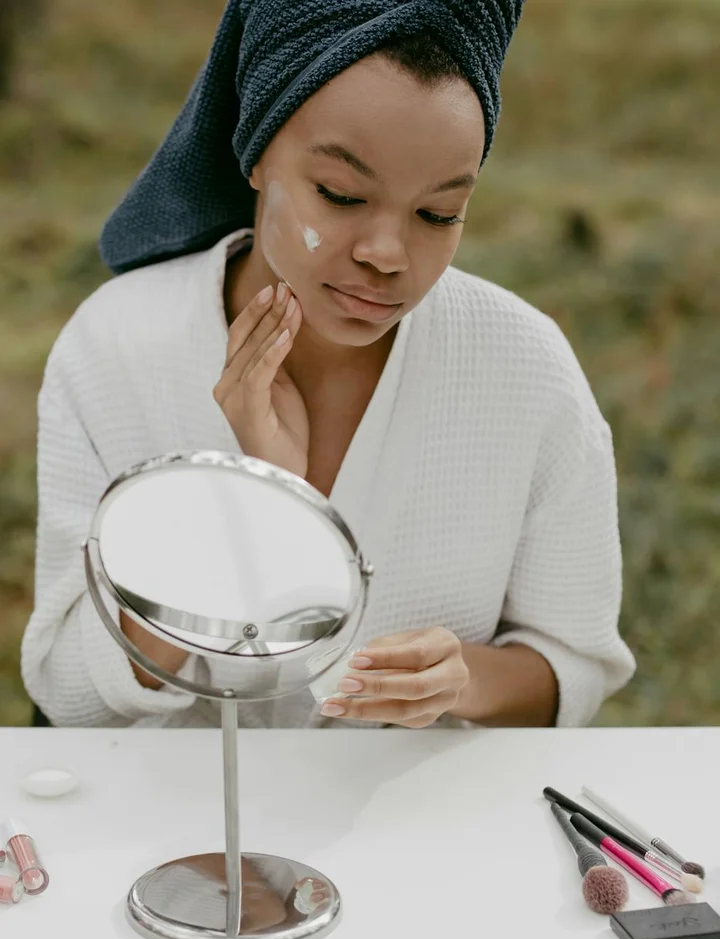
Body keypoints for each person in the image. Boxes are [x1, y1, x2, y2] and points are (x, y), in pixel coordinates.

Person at [21, 0, 635, 730]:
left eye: (438, 214)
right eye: (342, 196)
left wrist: (463, 681)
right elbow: (68, 693)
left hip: (415, 802)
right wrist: (246, 500)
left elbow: (575, 663)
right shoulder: (116, 348)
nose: (387, 254)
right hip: (175, 804)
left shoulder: (526, 369)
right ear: (256, 152)